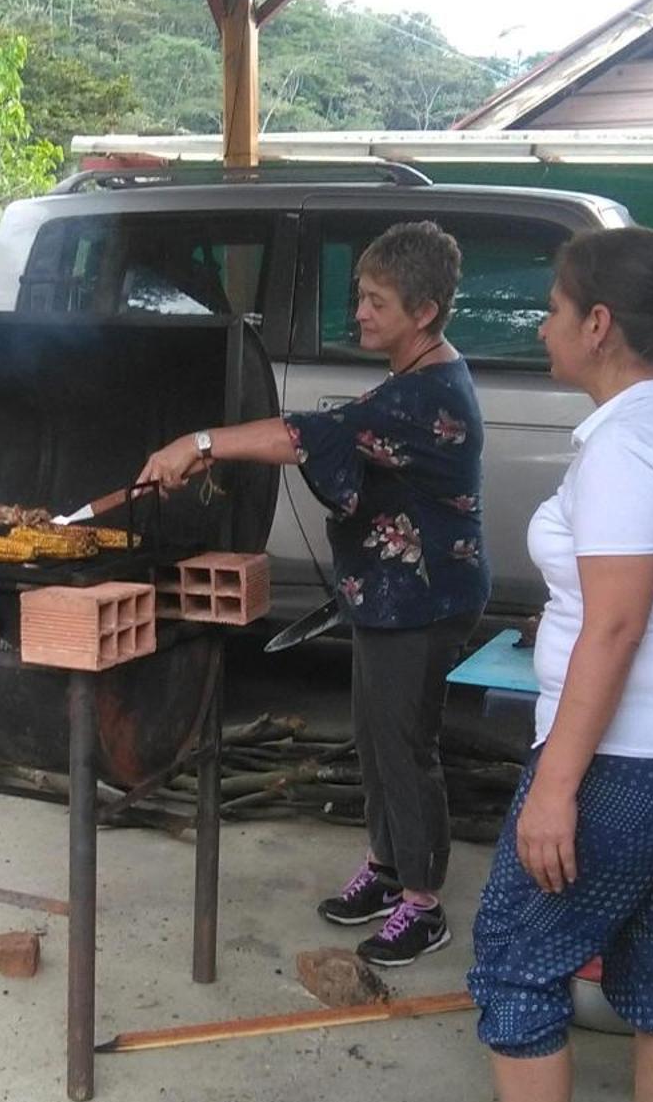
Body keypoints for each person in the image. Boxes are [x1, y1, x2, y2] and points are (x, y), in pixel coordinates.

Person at [405, 225, 653, 1102]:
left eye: (554, 307)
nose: (541, 322)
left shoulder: (623, 440)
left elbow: (615, 620)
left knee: (518, 950)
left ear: (598, 325)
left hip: (619, 761)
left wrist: (556, 782)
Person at [138, 219, 490, 967]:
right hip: (388, 594)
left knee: (406, 749)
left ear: (423, 312)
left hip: (423, 601)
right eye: (360, 296)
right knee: (375, 738)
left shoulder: (430, 395)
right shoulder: (411, 375)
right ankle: (388, 868)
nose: (358, 312)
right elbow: (336, 440)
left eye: (375, 302)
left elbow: (313, 434)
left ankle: (423, 905)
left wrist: (199, 444)